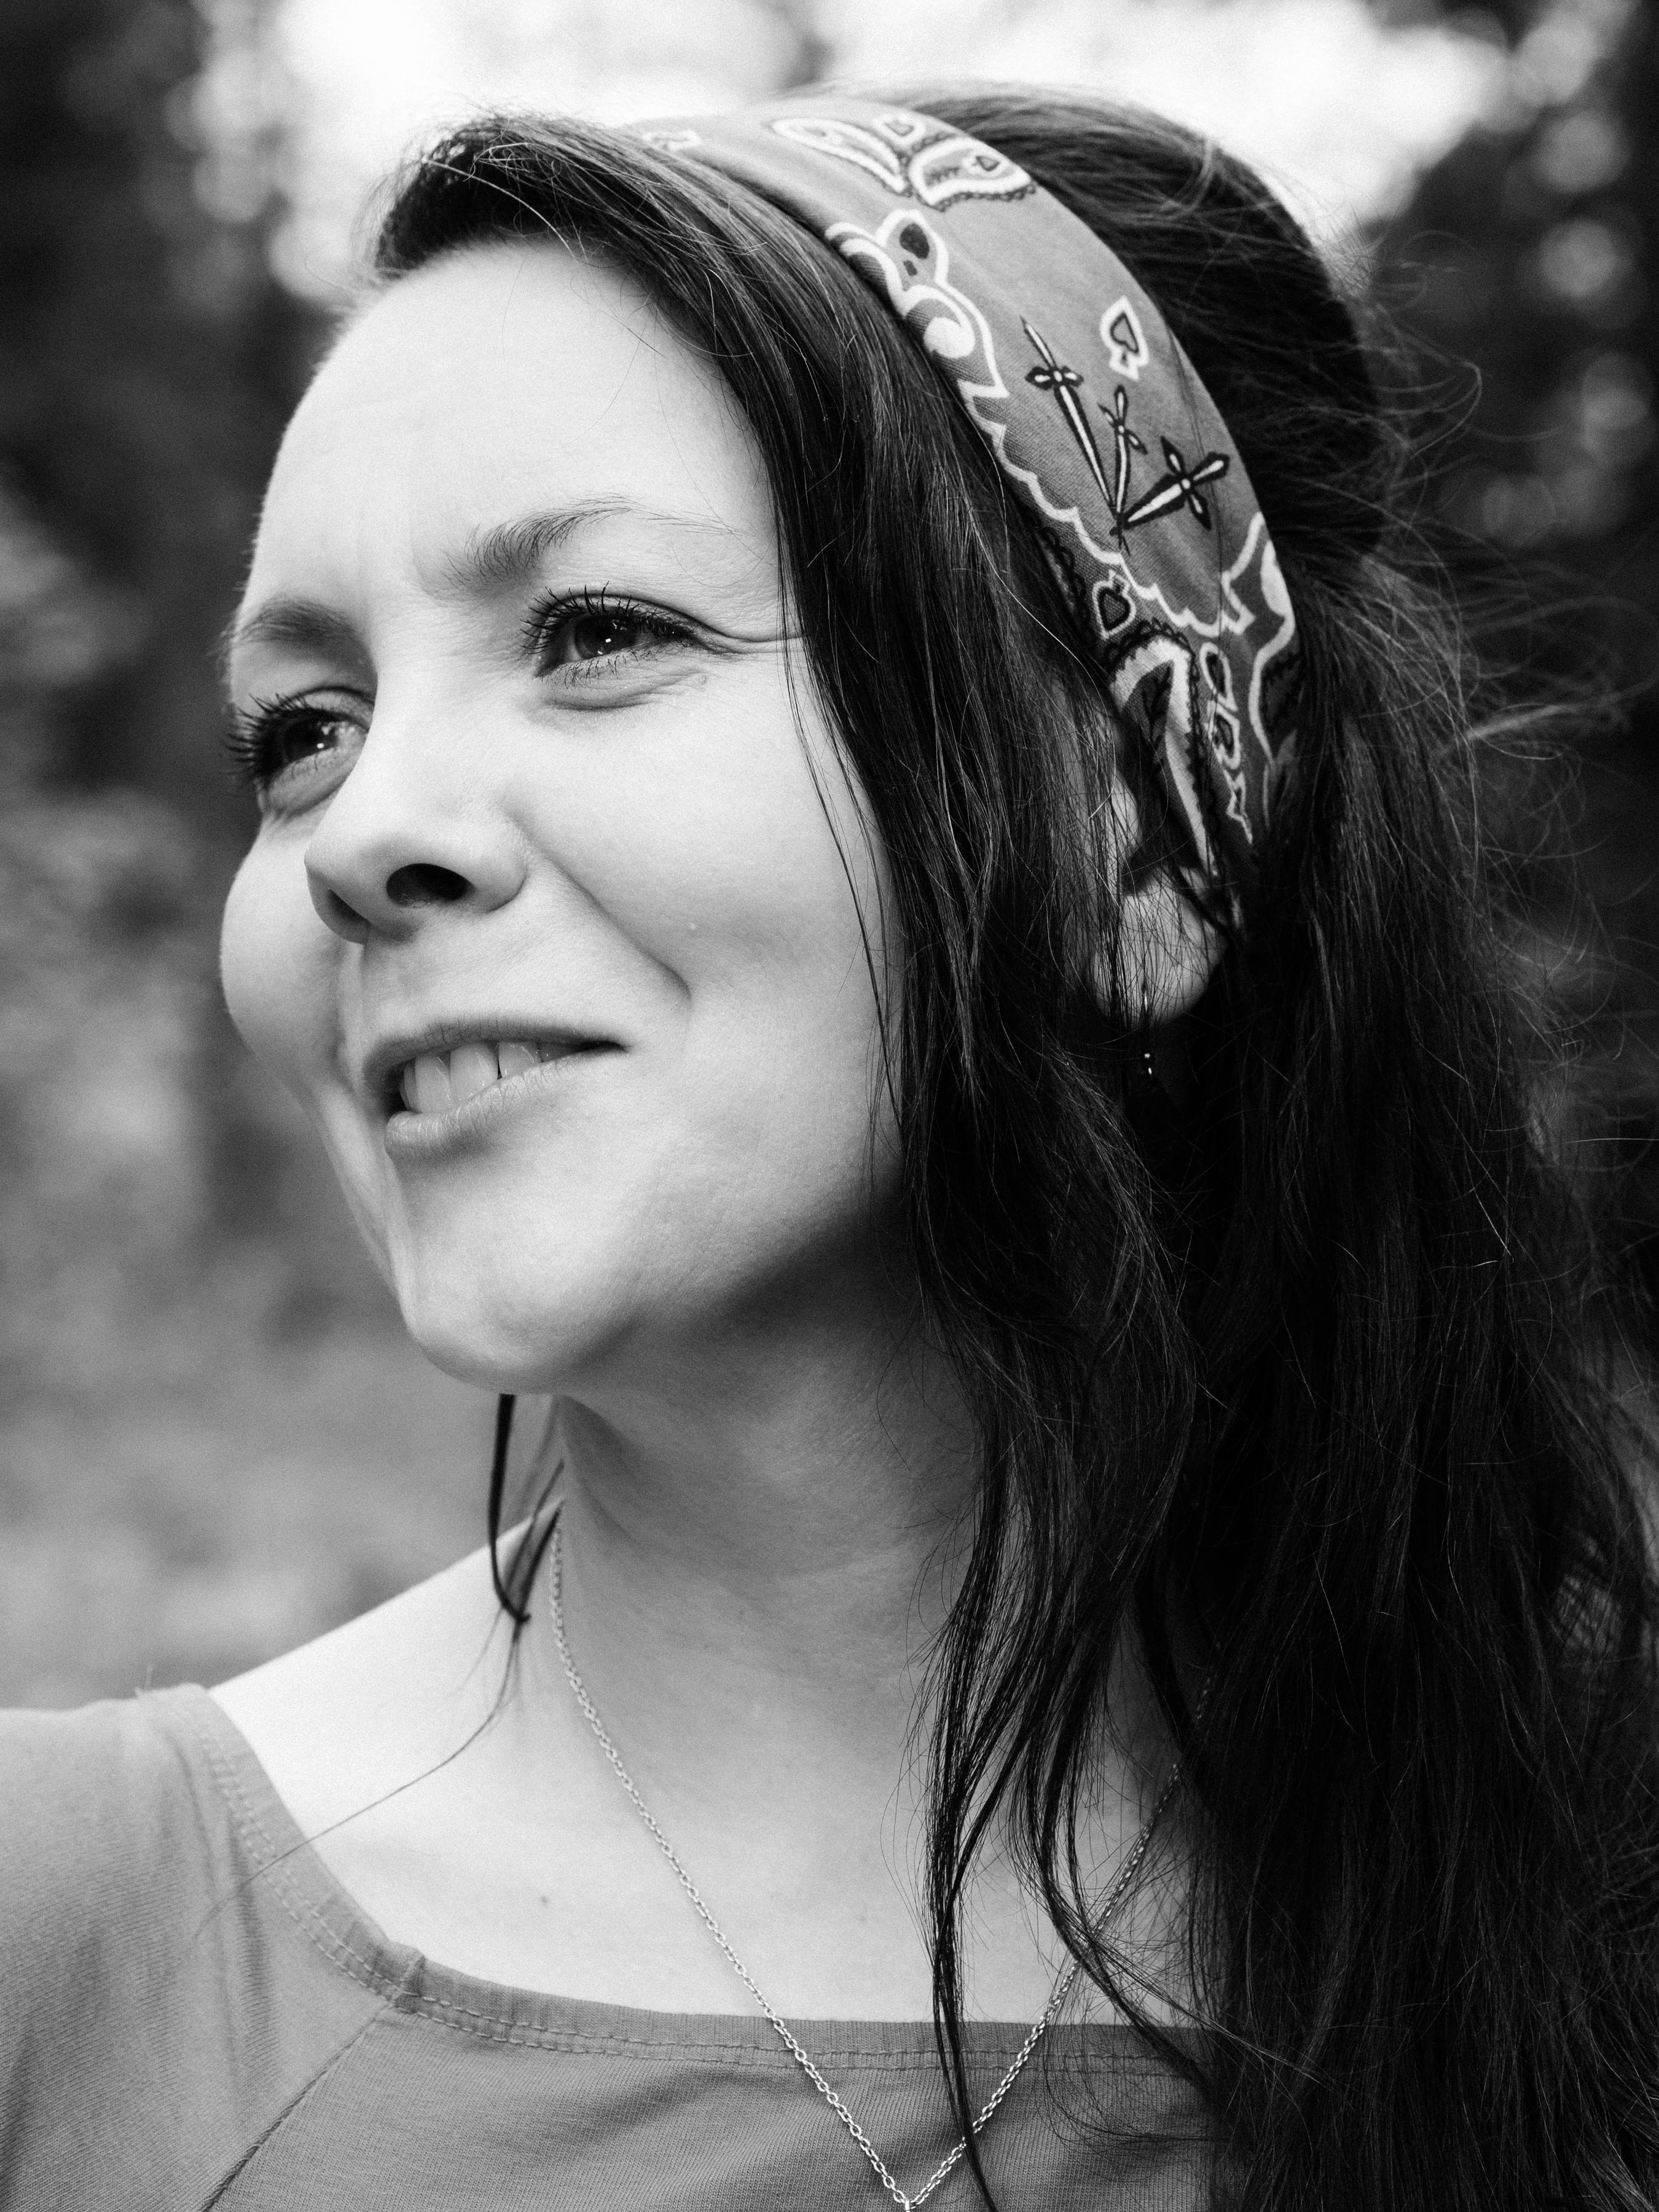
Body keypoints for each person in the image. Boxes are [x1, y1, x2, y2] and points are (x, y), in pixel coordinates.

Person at [2, 84, 1656, 2212]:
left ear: (1134, 845)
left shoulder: (1585, 1917)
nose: (360, 832)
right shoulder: (72, 1957)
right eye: (300, 731)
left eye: (600, 631)